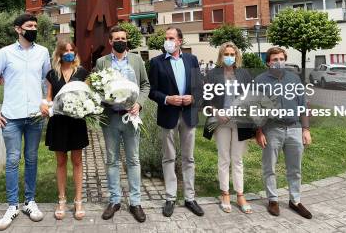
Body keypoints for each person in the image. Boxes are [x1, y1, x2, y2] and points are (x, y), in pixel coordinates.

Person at [0, 13, 51, 231]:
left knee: (31, 158)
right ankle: (12, 205)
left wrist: (47, 102)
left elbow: (49, 79)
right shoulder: (5, 53)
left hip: (35, 116)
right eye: (29, 26)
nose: (33, 29)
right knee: (12, 160)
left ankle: (29, 202)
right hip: (11, 117)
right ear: (18, 29)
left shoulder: (43, 52)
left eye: (35, 26)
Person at [95, 25, 150, 223]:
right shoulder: (101, 62)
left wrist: (139, 104)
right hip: (110, 118)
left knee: (133, 160)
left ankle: (135, 202)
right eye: (117, 38)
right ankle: (115, 200)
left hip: (131, 118)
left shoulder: (136, 60)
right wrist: (104, 98)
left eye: (123, 38)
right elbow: (96, 87)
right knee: (111, 160)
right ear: (110, 41)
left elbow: (145, 85)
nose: (121, 41)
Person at [148, 27, 204, 217]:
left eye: (171, 38)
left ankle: (190, 198)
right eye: (166, 38)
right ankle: (170, 198)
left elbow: (199, 87)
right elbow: (152, 91)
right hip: (168, 115)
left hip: (188, 114)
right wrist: (166, 99)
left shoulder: (192, 60)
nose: (167, 41)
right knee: (169, 158)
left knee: (189, 158)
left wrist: (193, 98)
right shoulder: (156, 62)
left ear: (180, 41)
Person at [254, 47, 312, 219]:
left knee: (295, 168)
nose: (278, 62)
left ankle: (295, 201)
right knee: (269, 167)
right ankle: (273, 199)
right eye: (274, 59)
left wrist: (306, 129)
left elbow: (303, 105)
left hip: (294, 128)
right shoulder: (259, 81)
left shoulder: (294, 79)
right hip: (272, 128)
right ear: (268, 62)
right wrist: (259, 131)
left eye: (281, 58)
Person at [202, 43, 255, 213]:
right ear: (221, 56)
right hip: (221, 121)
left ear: (237, 56)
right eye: (226, 54)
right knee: (224, 158)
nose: (229, 56)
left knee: (237, 159)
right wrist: (217, 113)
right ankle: (225, 193)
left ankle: (240, 194)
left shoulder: (244, 74)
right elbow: (206, 98)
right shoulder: (213, 74)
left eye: (232, 53)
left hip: (241, 121)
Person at [40, 40, 89, 221]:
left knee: (77, 161)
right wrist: (45, 106)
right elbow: (49, 97)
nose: (69, 53)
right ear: (59, 54)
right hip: (58, 123)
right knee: (61, 162)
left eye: (72, 50)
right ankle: (61, 200)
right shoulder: (52, 74)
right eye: (65, 50)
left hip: (76, 122)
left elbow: (87, 96)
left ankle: (78, 201)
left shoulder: (82, 72)